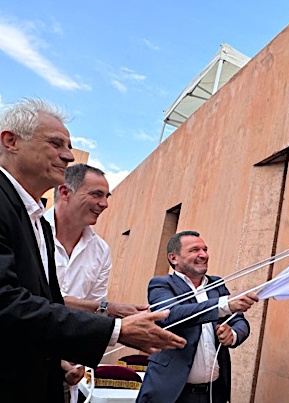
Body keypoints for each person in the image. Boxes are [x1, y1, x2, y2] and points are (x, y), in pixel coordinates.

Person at [0, 98, 186, 402]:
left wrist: (63, 357)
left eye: (70, 146)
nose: (68, 155)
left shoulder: (37, 224)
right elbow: (8, 305)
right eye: (56, 143)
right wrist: (115, 328)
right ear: (11, 141)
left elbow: (44, 305)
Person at [45, 163, 149, 402]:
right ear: (64, 192)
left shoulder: (101, 250)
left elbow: (91, 315)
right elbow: (33, 300)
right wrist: (109, 310)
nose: (104, 204)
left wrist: (76, 361)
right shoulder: (30, 230)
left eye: (106, 196)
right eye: (96, 194)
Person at [137, 231, 259, 403]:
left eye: (205, 249)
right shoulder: (161, 284)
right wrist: (223, 305)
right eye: (194, 250)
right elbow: (170, 314)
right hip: (171, 393)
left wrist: (233, 335)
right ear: (174, 258)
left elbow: (239, 320)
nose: (203, 255)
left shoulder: (217, 285)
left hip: (212, 393)